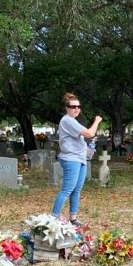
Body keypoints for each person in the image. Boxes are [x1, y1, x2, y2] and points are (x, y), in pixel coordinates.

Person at [51, 93, 103, 226]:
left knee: (76, 189)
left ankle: (73, 218)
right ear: (67, 108)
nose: (76, 109)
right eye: (73, 106)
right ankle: (53, 218)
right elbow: (90, 133)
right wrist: (97, 121)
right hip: (71, 159)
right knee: (67, 189)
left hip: (80, 158)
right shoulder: (67, 120)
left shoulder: (73, 121)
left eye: (78, 107)